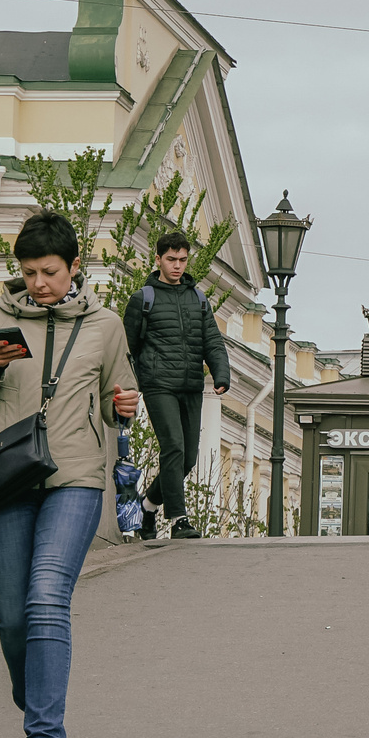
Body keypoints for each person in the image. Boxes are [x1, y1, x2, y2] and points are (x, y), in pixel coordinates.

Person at [0, 211, 139, 738]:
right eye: (30, 272)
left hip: (75, 479)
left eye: (50, 272)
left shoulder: (106, 325)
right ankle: (37, 690)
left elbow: (118, 394)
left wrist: (122, 407)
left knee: (46, 599)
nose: (39, 283)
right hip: (10, 479)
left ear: (74, 267)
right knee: (12, 619)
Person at [122, 230, 230, 541]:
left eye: (182, 260)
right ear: (158, 260)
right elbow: (125, 348)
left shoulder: (198, 298)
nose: (177, 266)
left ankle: (147, 508)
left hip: (191, 385)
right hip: (158, 385)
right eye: (171, 260)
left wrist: (221, 374)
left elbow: (212, 340)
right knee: (173, 448)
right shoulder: (143, 299)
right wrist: (129, 385)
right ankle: (179, 519)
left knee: (187, 459)